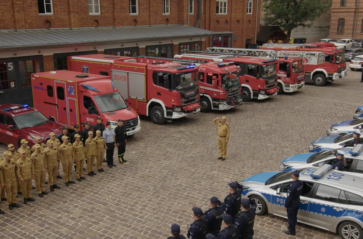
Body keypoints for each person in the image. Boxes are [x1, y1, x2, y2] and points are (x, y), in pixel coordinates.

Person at [284, 170, 303, 236]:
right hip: (297, 201)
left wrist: (286, 205)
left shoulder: (292, 186)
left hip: (292, 204)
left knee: (291, 218)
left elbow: (289, 198)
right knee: (294, 216)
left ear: (293, 176)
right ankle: (292, 225)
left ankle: (291, 231)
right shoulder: (300, 182)